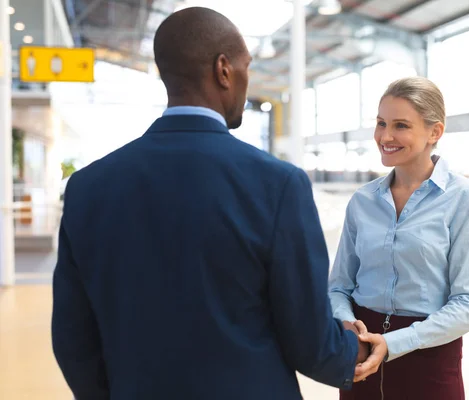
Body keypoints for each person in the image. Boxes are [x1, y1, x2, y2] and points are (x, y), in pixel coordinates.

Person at [51, 7, 383, 400]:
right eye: (246, 66)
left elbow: (73, 337)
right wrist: (357, 351)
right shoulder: (277, 185)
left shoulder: (88, 187)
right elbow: (308, 341)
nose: (247, 79)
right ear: (223, 69)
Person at [329, 76, 469, 399]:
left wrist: (394, 343)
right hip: (360, 359)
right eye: (380, 123)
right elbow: (338, 287)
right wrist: (348, 326)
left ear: (435, 132)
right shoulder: (362, 202)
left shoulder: (464, 199)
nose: (385, 136)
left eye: (401, 125)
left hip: (428, 360)